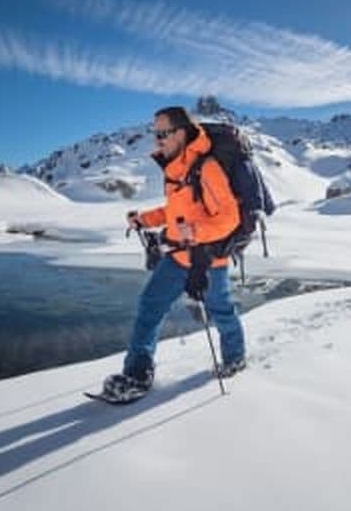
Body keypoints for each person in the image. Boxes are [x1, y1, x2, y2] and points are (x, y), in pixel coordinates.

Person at [104, 106, 247, 399]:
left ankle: (235, 358)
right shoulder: (175, 169)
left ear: (181, 133)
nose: (158, 140)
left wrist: (195, 232)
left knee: (220, 311)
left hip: (208, 260)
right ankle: (137, 374)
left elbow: (229, 217)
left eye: (163, 133)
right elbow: (175, 211)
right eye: (155, 134)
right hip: (178, 257)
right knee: (150, 305)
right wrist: (145, 219)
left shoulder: (207, 168)